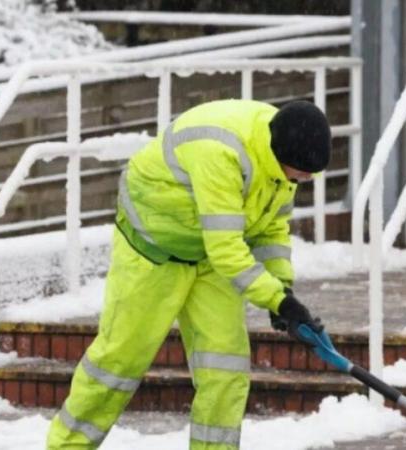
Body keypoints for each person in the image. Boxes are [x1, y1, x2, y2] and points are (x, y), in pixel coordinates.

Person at [46, 99, 330, 449]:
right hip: (154, 250)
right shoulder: (221, 151)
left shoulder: (285, 154)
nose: (305, 181)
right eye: (300, 174)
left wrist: (282, 291)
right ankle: (67, 445)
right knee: (117, 363)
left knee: (225, 368)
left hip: (210, 257)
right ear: (279, 156)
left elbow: (271, 230)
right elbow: (226, 249)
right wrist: (279, 301)